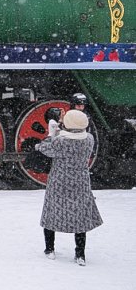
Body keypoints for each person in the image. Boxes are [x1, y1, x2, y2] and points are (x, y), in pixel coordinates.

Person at [36, 109, 102, 266]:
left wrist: (52, 133)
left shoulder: (60, 142)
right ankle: (80, 254)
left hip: (59, 182)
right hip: (80, 183)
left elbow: (44, 148)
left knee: (51, 214)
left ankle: (50, 249)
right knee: (79, 218)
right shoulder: (89, 139)